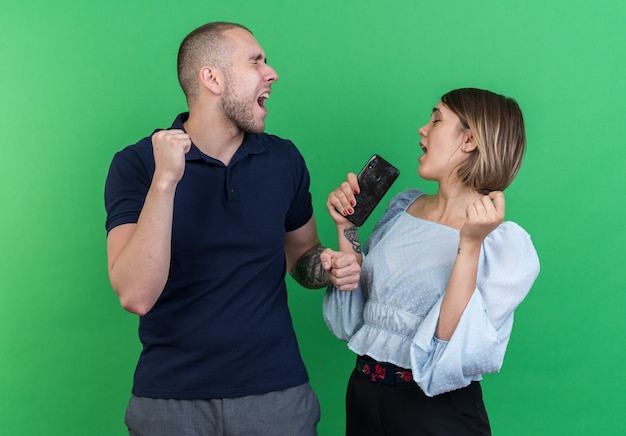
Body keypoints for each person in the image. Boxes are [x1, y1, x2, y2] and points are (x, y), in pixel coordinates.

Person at [104, 21, 360, 436]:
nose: (271, 72)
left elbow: (301, 255)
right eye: (256, 61)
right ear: (212, 78)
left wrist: (328, 266)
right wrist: (165, 180)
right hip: (169, 404)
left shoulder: (284, 160)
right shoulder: (137, 165)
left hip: (278, 397)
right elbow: (135, 294)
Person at [324, 88, 540, 435]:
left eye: (436, 120)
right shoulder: (402, 207)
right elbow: (353, 318)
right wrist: (346, 228)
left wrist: (469, 244)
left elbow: (451, 347)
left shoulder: (503, 244)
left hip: (434, 410)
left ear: (469, 140)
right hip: (363, 394)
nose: (422, 130)